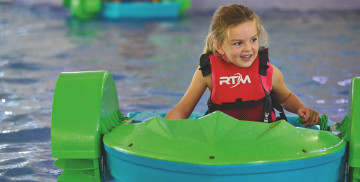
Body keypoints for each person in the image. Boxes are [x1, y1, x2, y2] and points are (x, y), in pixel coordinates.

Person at [165, 4, 319, 127]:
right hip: (223, 140)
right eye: (238, 43)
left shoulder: (268, 71)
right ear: (219, 46)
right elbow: (183, 110)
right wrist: (164, 131)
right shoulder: (207, 72)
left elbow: (286, 97)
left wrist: (300, 108)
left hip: (264, 139)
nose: (248, 48)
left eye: (253, 40)